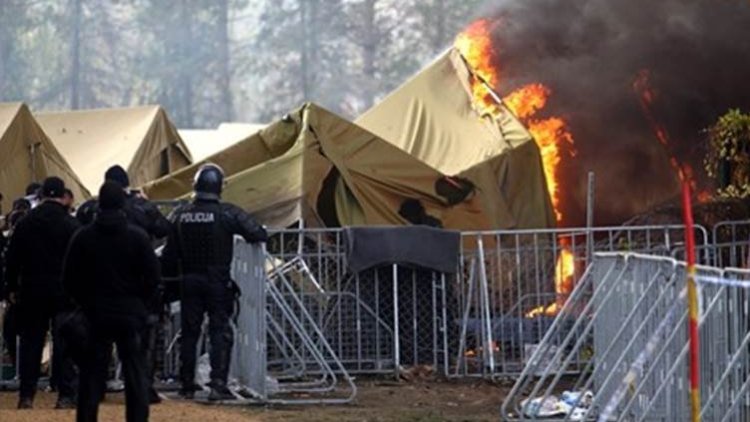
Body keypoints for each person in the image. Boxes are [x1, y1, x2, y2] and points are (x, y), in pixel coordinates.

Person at [161, 163, 267, 401]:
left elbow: (169, 255)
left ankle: (186, 384)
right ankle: (218, 384)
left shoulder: (179, 215)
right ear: (219, 187)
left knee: (189, 333)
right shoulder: (227, 213)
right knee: (220, 332)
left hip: (189, 281)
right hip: (217, 282)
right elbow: (257, 232)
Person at [63, 181, 160, 422]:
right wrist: (140, 302)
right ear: (122, 204)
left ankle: (87, 417)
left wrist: (85, 303)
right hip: (129, 312)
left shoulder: (83, 237)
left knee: (91, 375)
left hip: (95, 313)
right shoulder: (137, 237)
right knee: (134, 373)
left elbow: (69, 278)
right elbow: (153, 277)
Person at [76, 164, 169, 403]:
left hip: (95, 288)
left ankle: (97, 389)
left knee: (97, 345)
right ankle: (142, 390)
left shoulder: (87, 210)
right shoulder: (143, 209)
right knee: (139, 346)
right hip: (133, 292)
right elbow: (164, 229)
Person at [4, 177, 80, 409]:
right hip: (64, 291)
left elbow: (12, 259)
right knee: (64, 342)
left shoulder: (26, 224)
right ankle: (64, 394)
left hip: (32, 289)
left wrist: (11, 288)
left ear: (42, 195)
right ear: (62, 197)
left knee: (31, 343)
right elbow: (80, 261)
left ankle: (27, 395)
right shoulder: (71, 225)